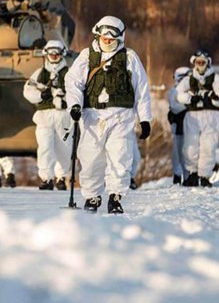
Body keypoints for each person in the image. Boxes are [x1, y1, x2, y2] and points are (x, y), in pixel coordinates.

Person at [65, 16, 151, 214]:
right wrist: (75, 106)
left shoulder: (129, 57)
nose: (108, 40)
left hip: (121, 116)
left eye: (112, 37)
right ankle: (93, 196)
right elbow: (73, 83)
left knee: (120, 156)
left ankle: (115, 196)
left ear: (120, 37)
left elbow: (142, 89)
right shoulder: (87, 56)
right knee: (91, 158)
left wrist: (145, 119)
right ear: (98, 34)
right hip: (92, 116)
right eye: (105, 36)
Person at [23, 40, 72, 191]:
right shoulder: (39, 73)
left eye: (57, 53)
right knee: (45, 147)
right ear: (46, 54)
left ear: (62, 53)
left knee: (64, 148)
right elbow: (27, 91)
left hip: (63, 115)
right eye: (51, 53)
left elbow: (78, 92)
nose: (54, 56)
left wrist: (66, 99)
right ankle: (46, 178)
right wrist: (41, 95)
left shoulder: (70, 73)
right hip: (44, 115)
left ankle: (61, 177)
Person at [176, 51, 219, 187]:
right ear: (194, 63)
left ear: (208, 63)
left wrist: (214, 98)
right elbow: (178, 93)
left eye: (203, 62)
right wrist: (189, 98)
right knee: (190, 145)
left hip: (210, 116)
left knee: (208, 146)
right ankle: (192, 174)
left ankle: (204, 176)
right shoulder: (189, 79)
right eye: (198, 62)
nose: (200, 65)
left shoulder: (215, 78)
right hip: (193, 115)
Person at [168, 67, 191, 184]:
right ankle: (178, 175)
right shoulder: (174, 91)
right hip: (178, 125)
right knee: (178, 151)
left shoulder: (189, 92)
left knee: (189, 151)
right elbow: (174, 108)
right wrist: (189, 106)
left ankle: (188, 176)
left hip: (189, 125)